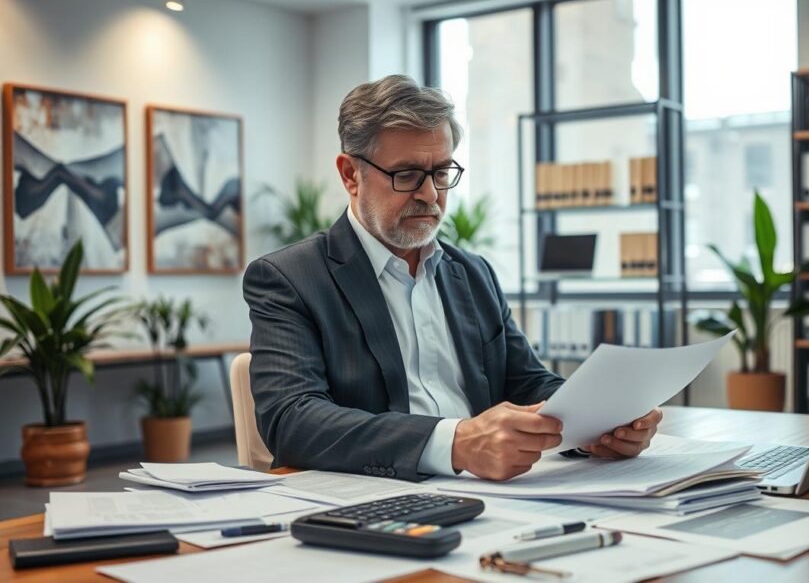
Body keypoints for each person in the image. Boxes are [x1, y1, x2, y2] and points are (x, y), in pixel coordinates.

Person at [243, 74, 662, 482]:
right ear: (351, 175)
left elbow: (526, 382)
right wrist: (456, 443)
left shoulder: (472, 273)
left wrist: (602, 423)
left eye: (441, 173)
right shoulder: (289, 279)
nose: (430, 195)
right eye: (406, 175)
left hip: (493, 493)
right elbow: (292, 420)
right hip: (372, 495)